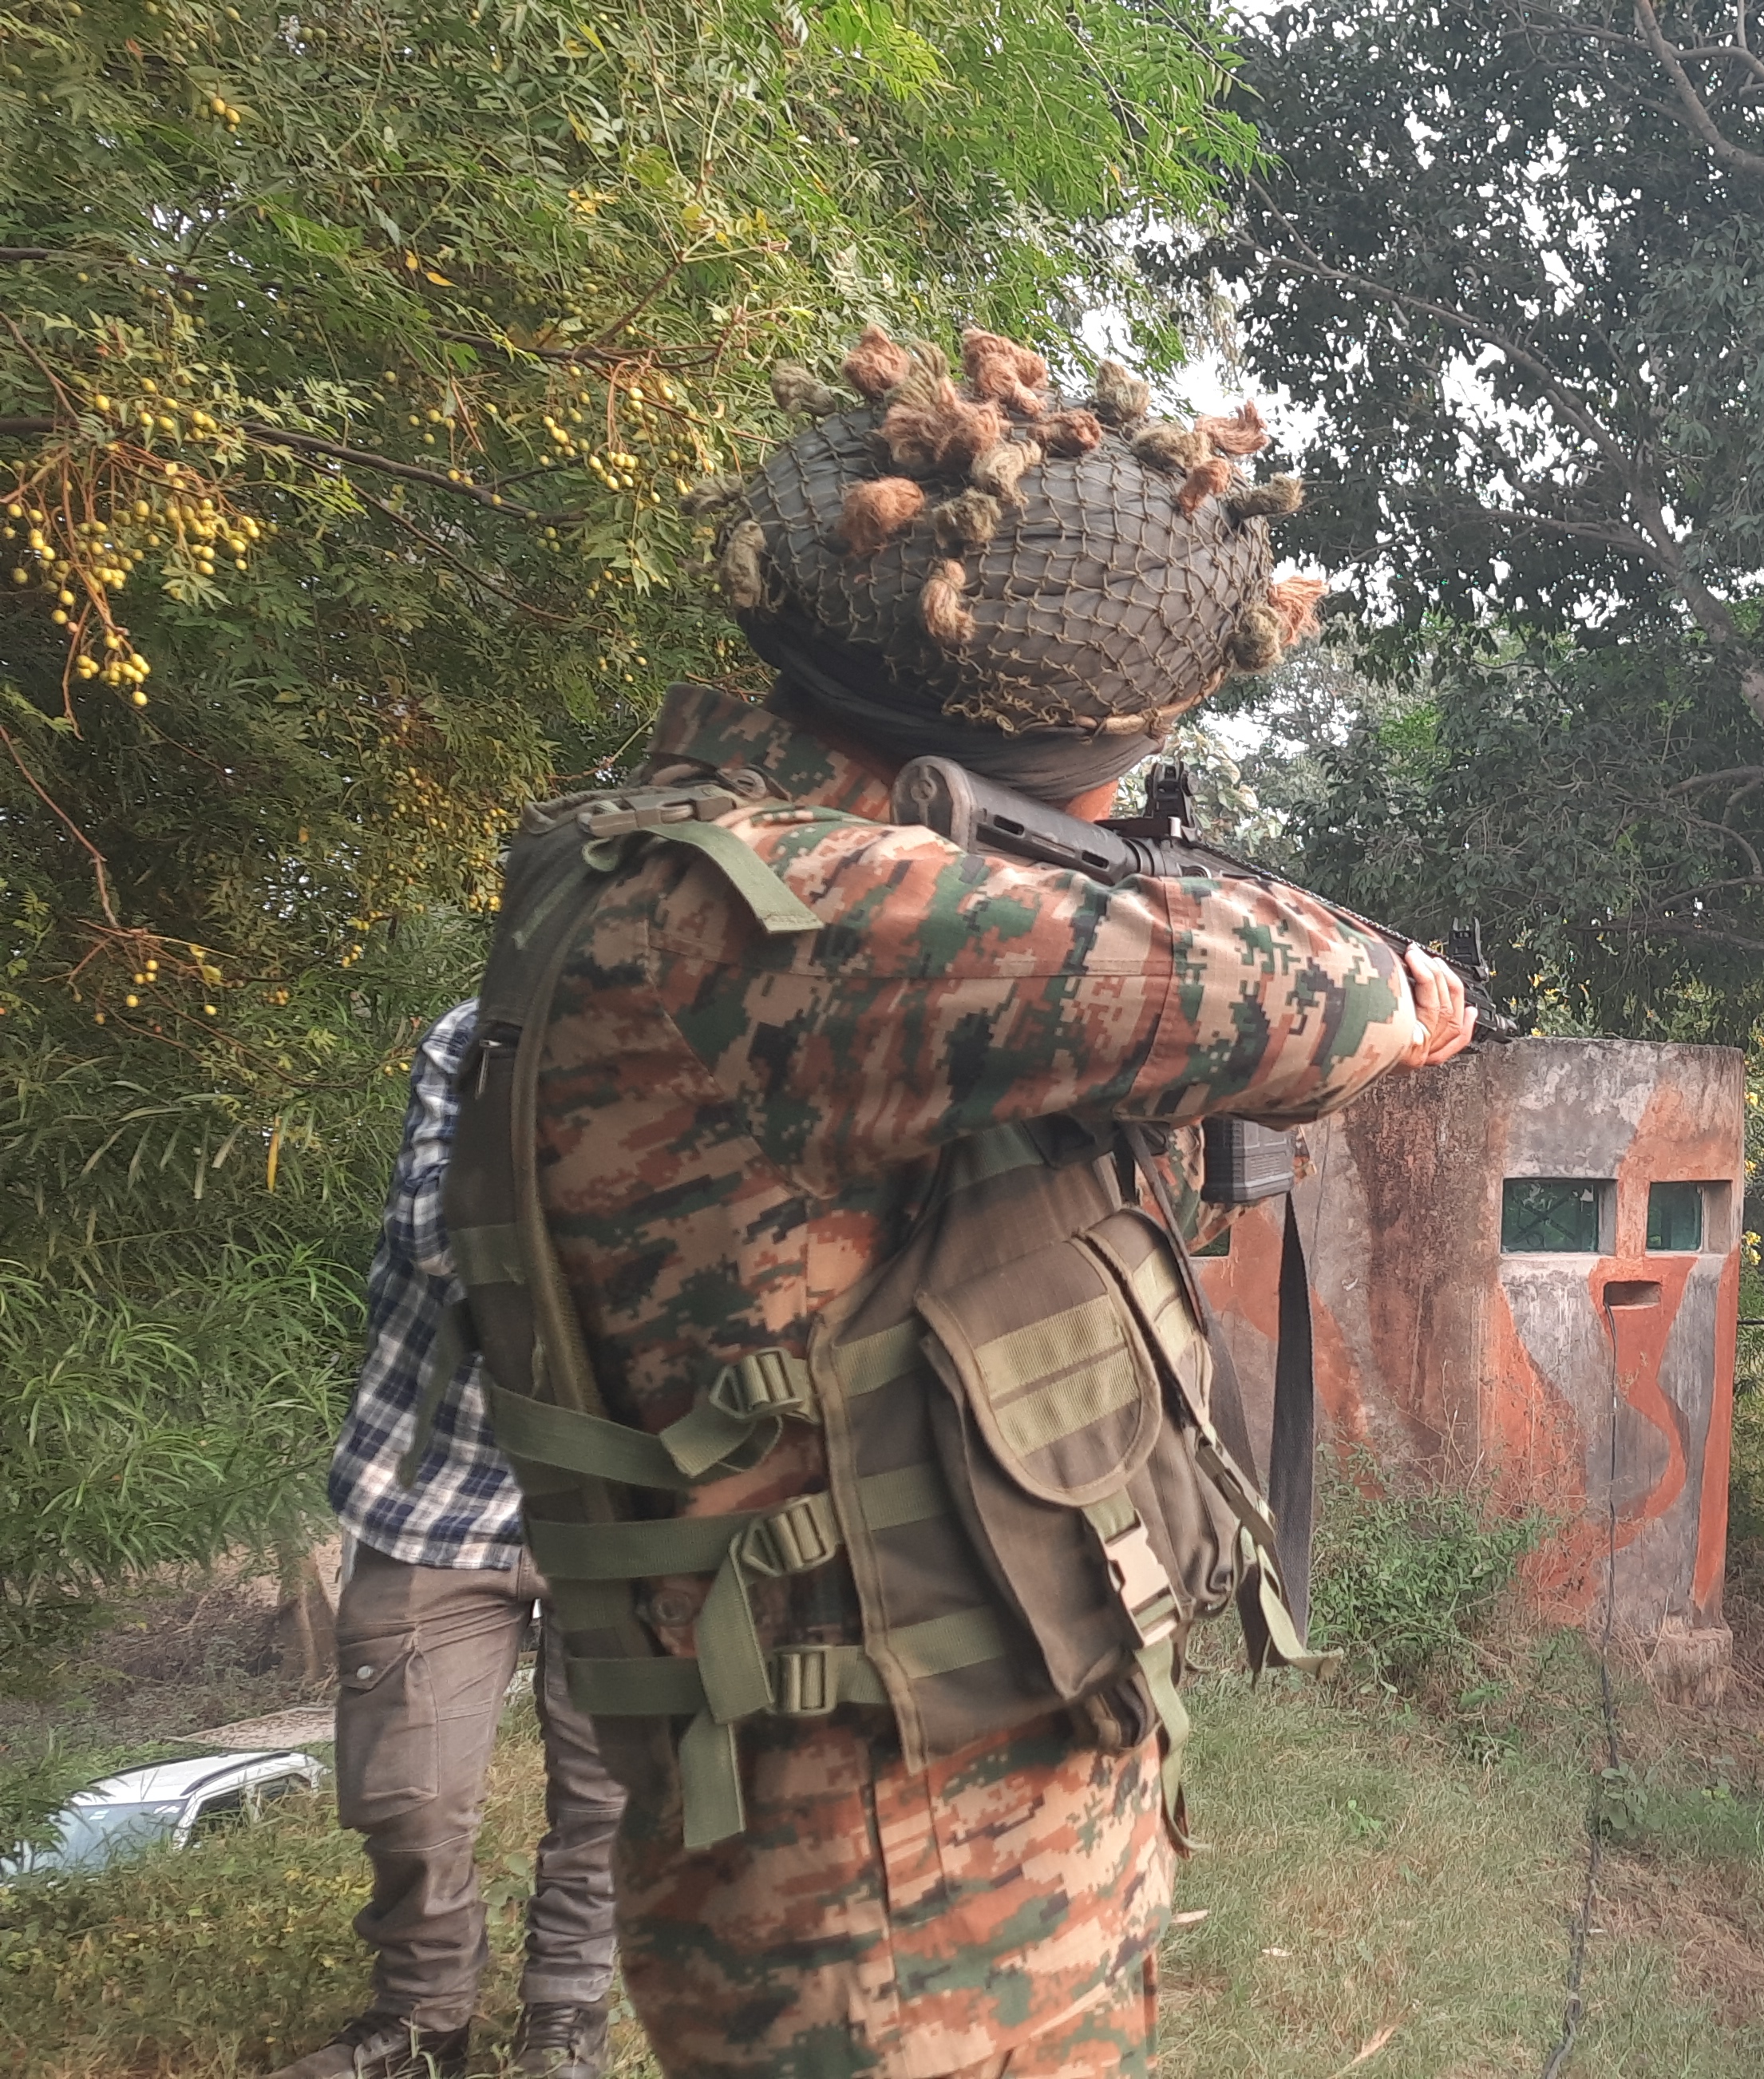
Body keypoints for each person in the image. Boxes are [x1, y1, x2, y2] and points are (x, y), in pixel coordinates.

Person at [436, 324, 1474, 2078]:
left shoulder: (676, 841)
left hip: (903, 1839)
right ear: (1065, 744)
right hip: (887, 1901)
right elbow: (1333, 996)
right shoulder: (803, 919)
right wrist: (1415, 985)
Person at [271, 998, 623, 2079]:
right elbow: (439, 1236)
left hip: (626, 1498)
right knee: (408, 1799)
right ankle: (424, 2019)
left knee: (614, 1796)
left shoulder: (744, 1036)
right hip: (437, 1485)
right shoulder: (483, 1036)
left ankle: (566, 2019)